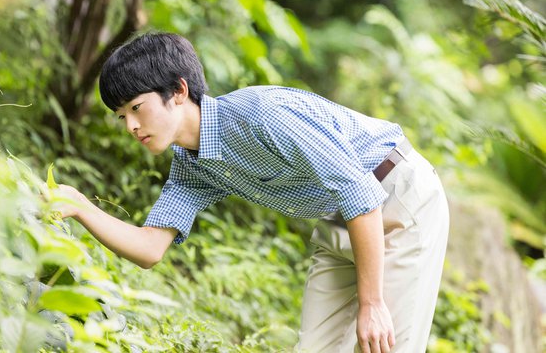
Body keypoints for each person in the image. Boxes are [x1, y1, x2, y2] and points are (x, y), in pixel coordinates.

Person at [51, 32, 450, 353]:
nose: (131, 127)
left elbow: (359, 194)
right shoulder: (192, 165)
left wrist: (372, 302)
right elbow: (150, 248)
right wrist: (80, 207)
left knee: (382, 344)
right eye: (122, 117)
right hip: (342, 216)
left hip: (399, 198)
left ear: (178, 91)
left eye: (136, 108)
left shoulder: (263, 114)